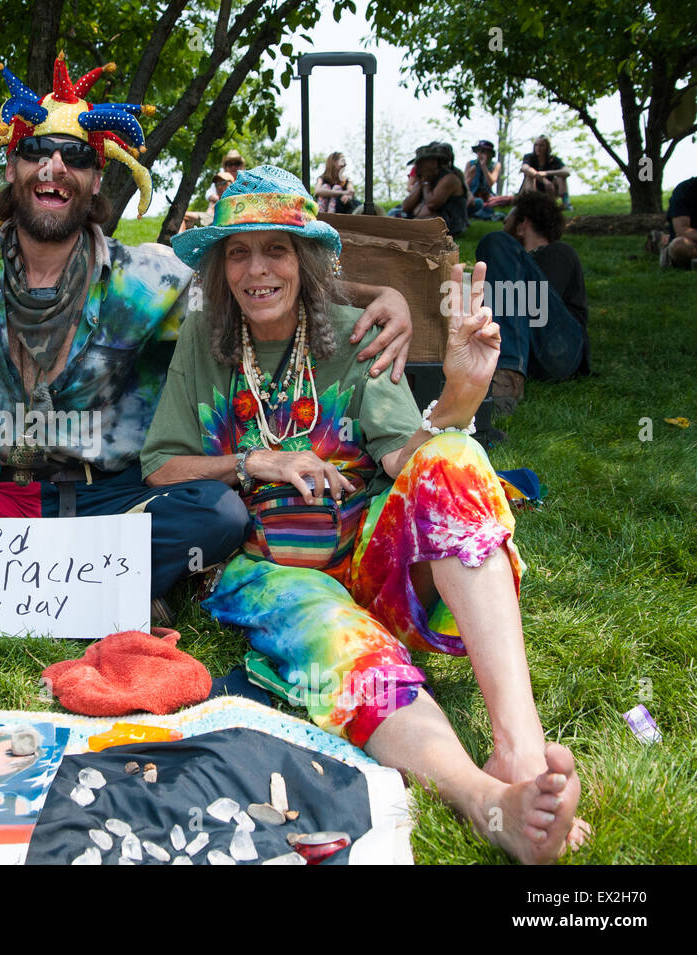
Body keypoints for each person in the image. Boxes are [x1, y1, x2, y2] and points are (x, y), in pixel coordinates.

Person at [0, 56, 415, 616]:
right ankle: (98, 589)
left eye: (73, 157)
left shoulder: (152, 279)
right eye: (34, 151)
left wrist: (379, 296)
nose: (52, 168)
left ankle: (23, 585)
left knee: (217, 514)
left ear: (95, 180)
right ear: (11, 168)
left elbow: (258, 280)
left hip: (113, 498)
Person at [139, 165, 585, 864]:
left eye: (277, 249)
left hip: (366, 552)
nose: (258, 270)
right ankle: (483, 799)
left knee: (458, 460)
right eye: (239, 251)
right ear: (222, 267)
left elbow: (412, 458)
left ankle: (520, 751)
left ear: (307, 259)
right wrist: (255, 461)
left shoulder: (354, 333)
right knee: (343, 643)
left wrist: (461, 401)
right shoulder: (204, 343)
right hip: (273, 570)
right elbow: (162, 466)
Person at [476, 191, 590, 415]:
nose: (503, 226)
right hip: (529, 356)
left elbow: (530, 310)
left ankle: (508, 377)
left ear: (522, 224)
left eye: (506, 220)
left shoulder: (559, 252)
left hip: (561, 349)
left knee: (495, 241)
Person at [392, 142, 468, 236]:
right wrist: (420, 183)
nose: (417, 167)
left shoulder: (449, 178)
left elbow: (432, 203)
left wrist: (426, 184)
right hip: (422, 221)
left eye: (421, 163)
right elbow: (406, 207)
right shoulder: (424, 178)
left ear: (433, 162)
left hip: (448, 225)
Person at [646, 175, 695, 270]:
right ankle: (664, 245)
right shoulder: (685, 190)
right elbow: (682, 231)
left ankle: (662, 239)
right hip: (690, 241)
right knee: (679, 245)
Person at [519, 135, 572, 210]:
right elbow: (525, 168)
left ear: (547, 147)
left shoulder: (553, 159)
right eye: (536, 145)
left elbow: (567, 172)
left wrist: (546, 173)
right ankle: (533, 204)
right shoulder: (529, 157)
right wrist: (544, 180)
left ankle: (566, 203)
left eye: (541, 146)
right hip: (532, 189)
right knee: (529, 177)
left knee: (561, 176)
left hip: (550, 191)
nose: (538, 148)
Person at [464, 140, 502, 221]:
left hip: (487, 196)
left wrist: (483, 166)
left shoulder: (495, 165)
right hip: (472, 194)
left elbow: (491, 183)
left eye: (483, 151)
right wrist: (470, 176)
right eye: (479, 151)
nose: (480, 153)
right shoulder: (470, 164)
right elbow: (463, 185)